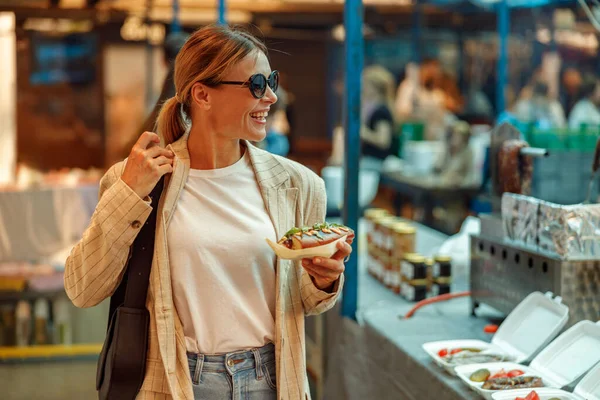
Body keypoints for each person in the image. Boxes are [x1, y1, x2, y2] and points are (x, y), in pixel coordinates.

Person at [64, 25, 352, 400]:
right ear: (202, 94)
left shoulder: (298, 185)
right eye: (257, 83)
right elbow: (83, 289)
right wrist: (130, 193)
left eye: (272, 80)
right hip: (175, 381)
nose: (271, 96)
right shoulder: (139, 180)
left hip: (272, 381)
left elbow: (302, 303)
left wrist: (323, 280)